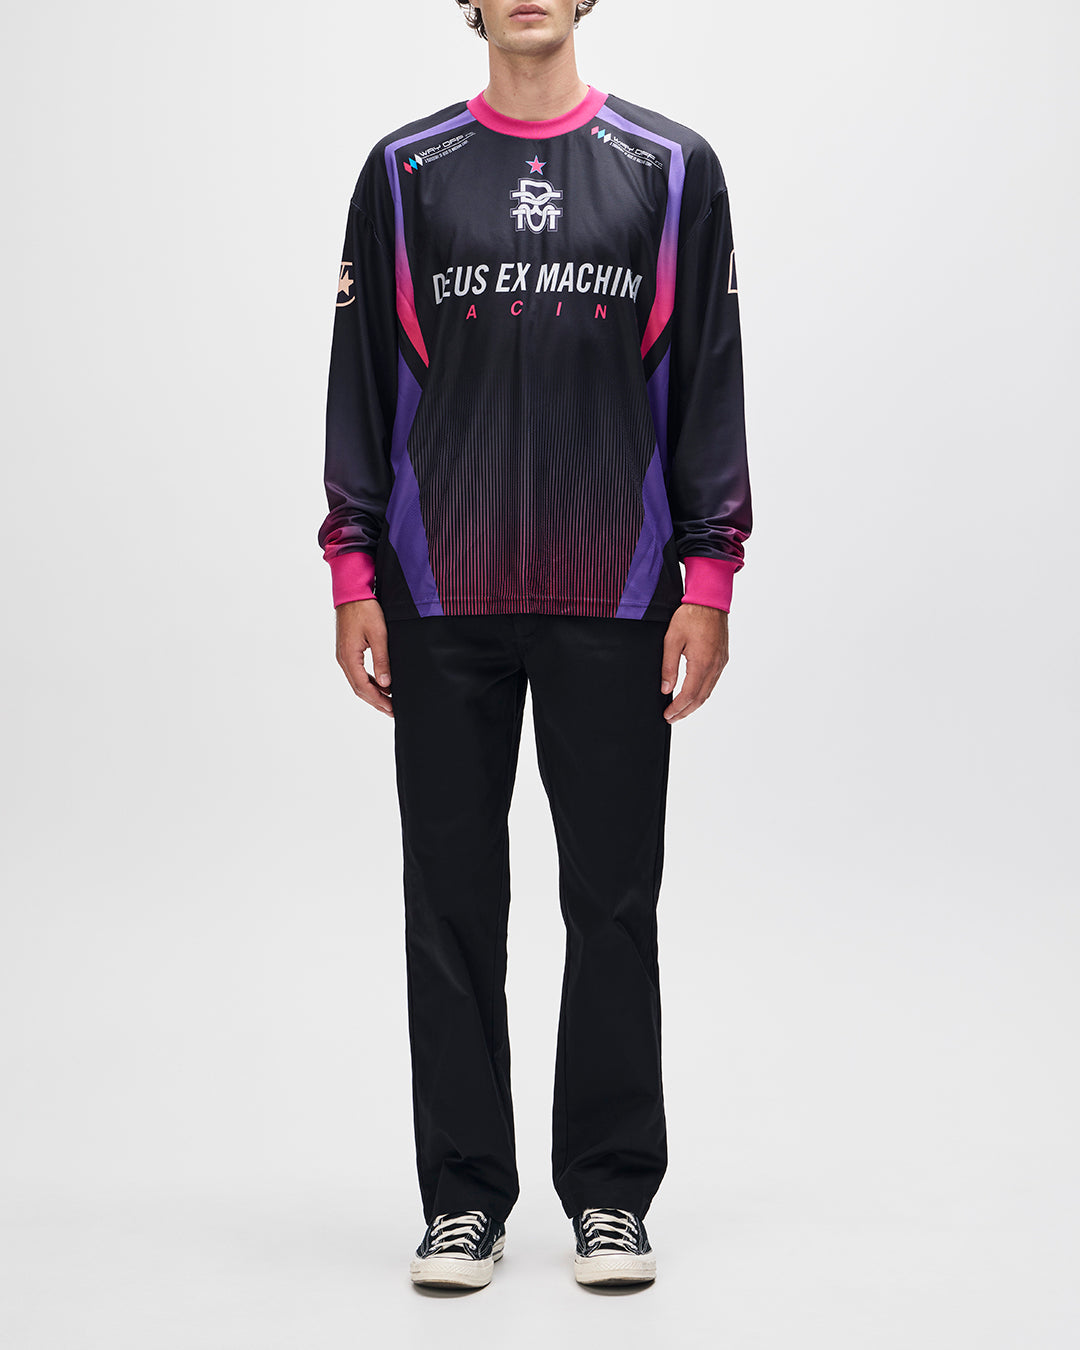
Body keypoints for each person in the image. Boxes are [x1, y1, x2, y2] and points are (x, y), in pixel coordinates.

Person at [317, 0, 753, 1290]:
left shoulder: (670, 169)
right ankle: (463, 1199)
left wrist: (709, 573)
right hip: (438, 587)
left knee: (612, 899)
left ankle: (610, 1194)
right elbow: (360, 377)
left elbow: (708, 376)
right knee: (451, 904)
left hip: (616, 589)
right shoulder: (406, 173)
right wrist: (352, 566)